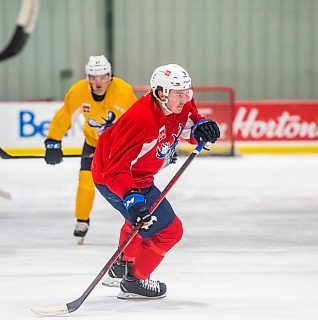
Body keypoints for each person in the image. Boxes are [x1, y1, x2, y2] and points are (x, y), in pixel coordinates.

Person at [91, 64, 220, 299]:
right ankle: (135, 281)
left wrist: (202, 128)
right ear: (161, 93)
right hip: (112, 177)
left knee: (144, 219)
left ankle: (122, 263)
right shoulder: (140, 120)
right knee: (170, 230)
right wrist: (132, 198)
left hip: (141, 176)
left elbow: (190, 123)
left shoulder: (181, 102)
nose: (185, 99)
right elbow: (115, 171)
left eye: (187, 92)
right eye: (179, 94)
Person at [44, 55, 137, 244]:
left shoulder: (123, 91)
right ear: (87, 78)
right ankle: (82, 220)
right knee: (86, 181)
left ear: (110, 76)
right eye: (93, 77)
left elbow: (138, 118)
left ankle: (135, 218)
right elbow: (65, 115)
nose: (98, 82)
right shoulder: (78, 92)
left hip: (119, 148)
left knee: (127, 184)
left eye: (102, 76)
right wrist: (53, 141)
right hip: (94, 144)